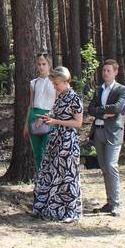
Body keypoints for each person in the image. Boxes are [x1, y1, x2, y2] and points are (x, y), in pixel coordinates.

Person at [32, 66, 84, 222]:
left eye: (56, 84)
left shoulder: (75, 98)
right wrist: (45, 118)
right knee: (51, 172)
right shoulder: (60, 96)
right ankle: (50, 207)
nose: (54, 86)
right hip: (56, 140)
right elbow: (56, 113)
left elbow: (78, 123)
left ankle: (69, 211)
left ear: (64, 80)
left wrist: (55, 122)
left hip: (68, 141)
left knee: (67, 176)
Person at [87, 59, 125, 217]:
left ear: (115, 72)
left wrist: (100, 110)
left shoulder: (121, 89)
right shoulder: (98, 90)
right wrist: (104, 113)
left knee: (111, 165)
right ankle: (109, 202)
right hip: (98, 132)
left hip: (114, 133)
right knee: (104, 168)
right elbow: (90, 109)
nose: (105, 73)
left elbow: (118, 108)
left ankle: (116, 204)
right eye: (104, 70)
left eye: (108, 71)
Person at [23, 52, 56, 172]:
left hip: (49, 117)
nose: (41, 67)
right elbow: (30, 105)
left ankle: (50, 182)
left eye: (44, 64)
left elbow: (57, 103)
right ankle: (41, 182)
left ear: (49, 65)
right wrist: (26, 125)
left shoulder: (55, 81)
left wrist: (46, 117)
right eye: (39, 64)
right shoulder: (34, 82)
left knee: (48, 152)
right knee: (38, 153)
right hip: (34, 117)